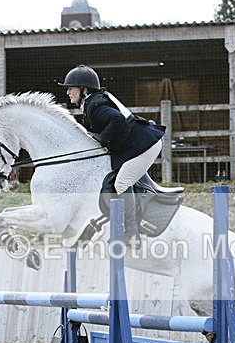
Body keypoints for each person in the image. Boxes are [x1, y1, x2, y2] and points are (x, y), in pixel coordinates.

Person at [59, 65, 164, 243]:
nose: (68, 92)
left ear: (84, 89)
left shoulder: (95, 105)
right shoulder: (91, 103)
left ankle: (131, 234)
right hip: (138, 145)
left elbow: (117, 120)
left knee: (121, 183)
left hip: (146, 146)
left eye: (71, 88)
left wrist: (103, 140)